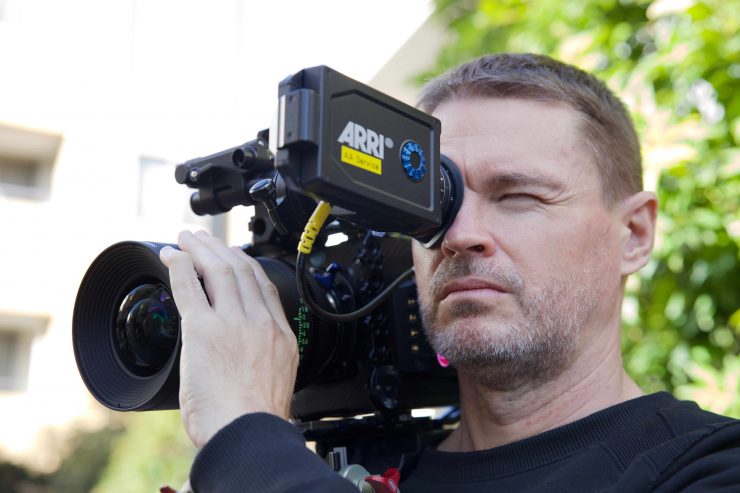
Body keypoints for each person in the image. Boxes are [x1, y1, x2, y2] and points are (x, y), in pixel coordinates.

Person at [159, 54, 740, 492]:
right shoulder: (363, 473)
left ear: (633, 234)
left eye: (518, 196)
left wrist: (247, 442)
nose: (459, 235)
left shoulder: (707, 468)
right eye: (436, 206)